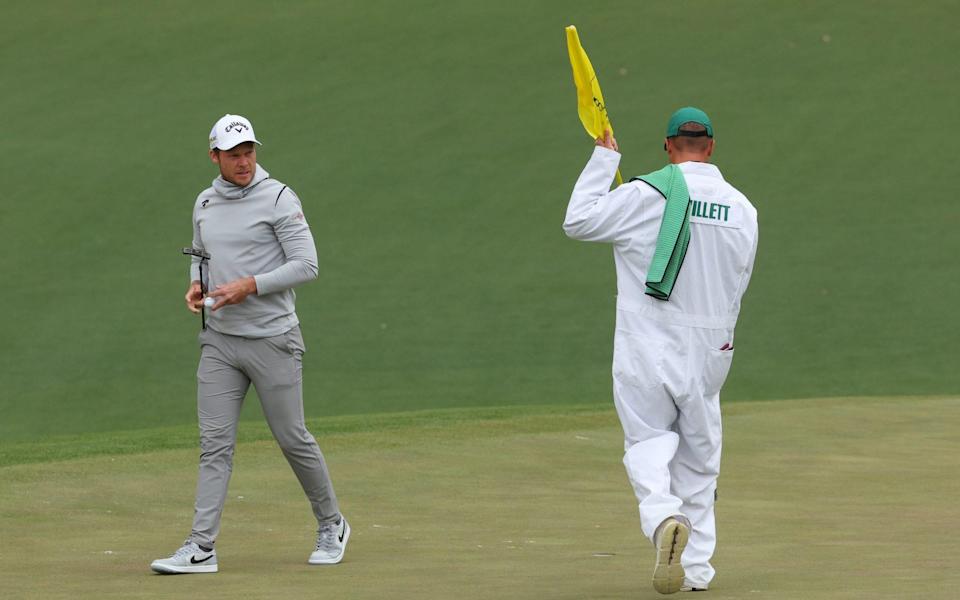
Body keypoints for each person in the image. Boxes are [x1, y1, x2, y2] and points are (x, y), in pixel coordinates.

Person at [563, 107, 758, 594]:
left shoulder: (645, 193)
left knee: (648, 440)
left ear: (668, 146)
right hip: (712, 344)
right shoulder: (742, 208)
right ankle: (696, 573)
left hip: (646, 340)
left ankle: (663, 515)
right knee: (699, 459)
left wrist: (603, 160)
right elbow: (739, 282)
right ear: (711, 147)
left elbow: (578, 221)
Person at [151, 114, 349, 574]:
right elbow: (201, 256)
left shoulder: (279, 197)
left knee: (292, 438)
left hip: (273, 339)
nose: (243, 162)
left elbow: (307, 264)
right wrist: (196, 287)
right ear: (214, 156)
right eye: (233, 154)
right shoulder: (203, 202)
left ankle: (332, 524)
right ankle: (201, 546)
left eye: (249, 152)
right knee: (214, 445)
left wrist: (250, 286)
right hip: (220, 341)